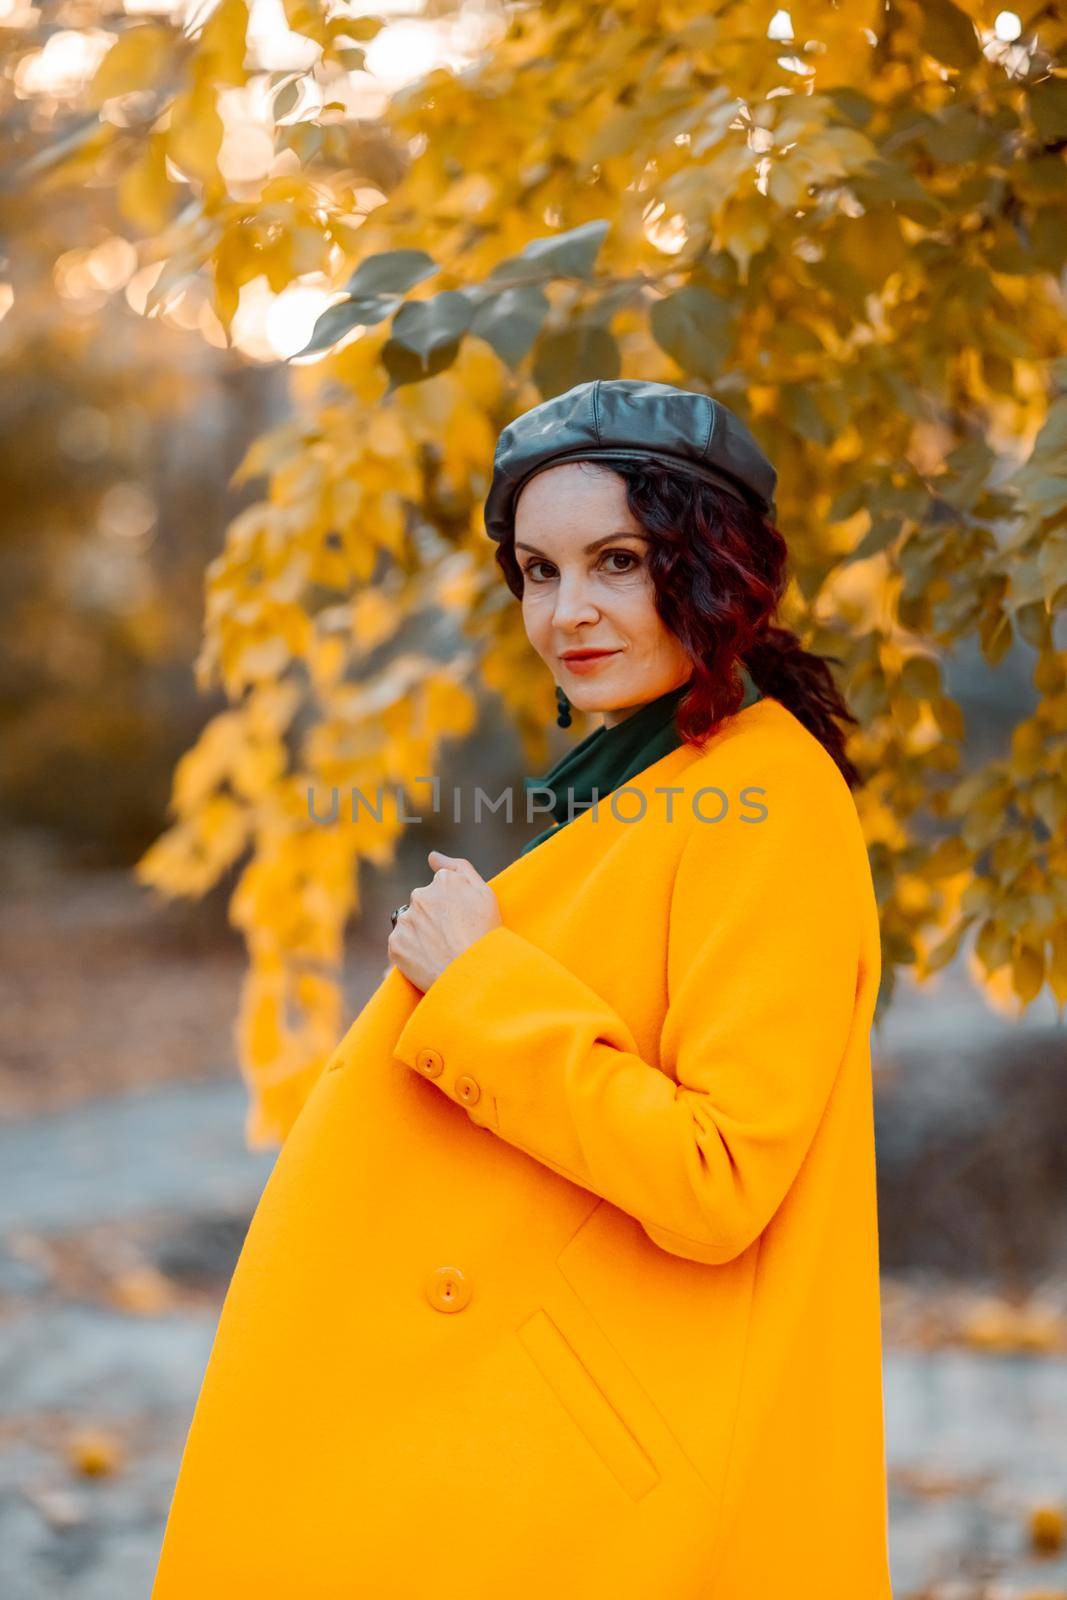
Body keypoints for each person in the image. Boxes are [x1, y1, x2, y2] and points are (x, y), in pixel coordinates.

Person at [151, 378, 892, 1599]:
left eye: (615, 560)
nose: (569, 612)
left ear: (712, 568)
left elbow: (717, 1179)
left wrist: (479, 984)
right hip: (528, 1438)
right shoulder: (658, 776)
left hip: (606, 1472)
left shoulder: (768, 799)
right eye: (538, 572)